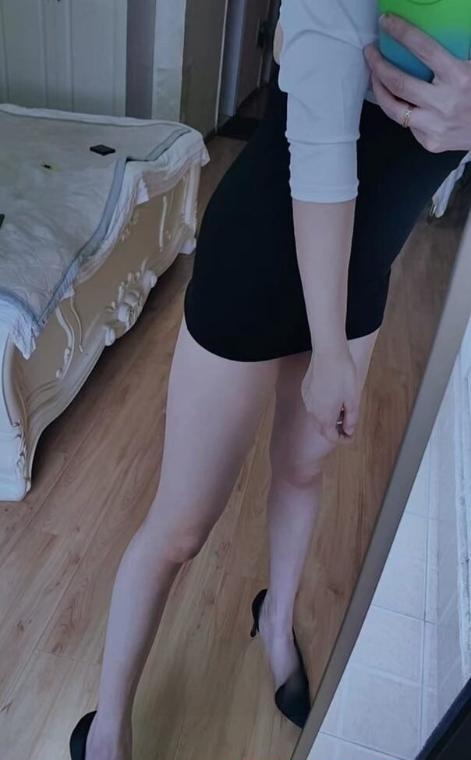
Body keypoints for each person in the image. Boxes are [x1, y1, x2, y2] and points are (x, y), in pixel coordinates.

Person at [70, 4, 471, 759]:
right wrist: (328, 352)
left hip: (359, 275)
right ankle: (108, 727)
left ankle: (276, 621)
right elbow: (321, 153)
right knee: (181, 526)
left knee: (302, 470)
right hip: (260, 255)